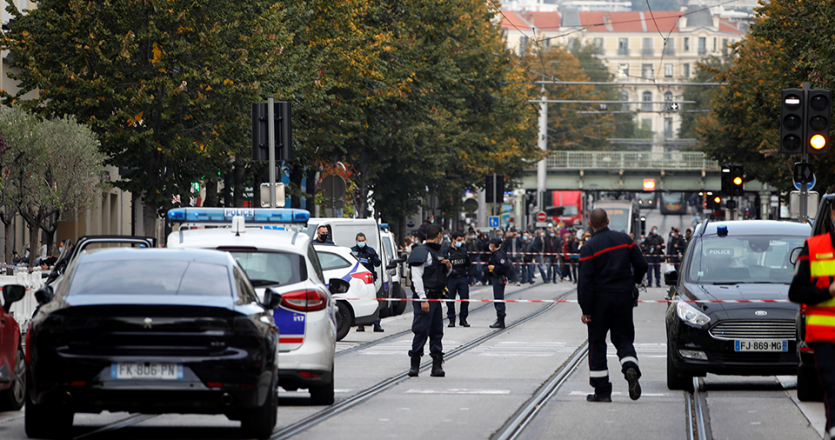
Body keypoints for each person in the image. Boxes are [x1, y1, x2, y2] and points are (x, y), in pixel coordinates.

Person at [578, 208, 648, 403]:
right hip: (623, 298)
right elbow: (642, 264)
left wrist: (586, 309)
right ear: (608, 220)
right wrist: (632, 282)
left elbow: (584, 282)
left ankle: (602, 391)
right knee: (624, 339)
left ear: (590, 224)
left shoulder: (589, 248)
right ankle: (630, 368)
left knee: (597, 343)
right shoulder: (625, 240)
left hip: (600, 301)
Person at [789, 204, 835, 438]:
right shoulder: (816, 248)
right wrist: (828, 291)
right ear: (834, 213)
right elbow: (796, 293)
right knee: (831, 382)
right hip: (826, 336)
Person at [406, 224, 450, 378]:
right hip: (425, 298)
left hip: (436, 298)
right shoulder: (420, 251)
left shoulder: (438, 251)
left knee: (437, 332)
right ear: (439, 234)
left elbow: (440, 274)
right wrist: (422, 298)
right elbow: (416, 277)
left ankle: (436, 366)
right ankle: (415, 365)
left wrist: (448, 267)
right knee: (421, 331)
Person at [353, 233, 384, 333]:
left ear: (365, 240)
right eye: (359, 240)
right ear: (356, 241)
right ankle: (360, 325)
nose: (361, 242)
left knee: (373, 301)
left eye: (362, 240)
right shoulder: (352, 251)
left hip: (369, 281)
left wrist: (373, 258)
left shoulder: (370, 251)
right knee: (360, 302)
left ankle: (377, 324)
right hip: (357, 281)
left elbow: (378, 263)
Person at [444, 232, 472, 328]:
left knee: (465, 299)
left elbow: (468, 264)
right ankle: (451, 319)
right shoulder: (446, 251)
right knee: (450, 300)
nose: (461, 242)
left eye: (461, 240)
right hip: (451, 278)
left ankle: (463, 319)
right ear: (453, 240)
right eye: (459, 240)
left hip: (462, 278)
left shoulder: (463, 250)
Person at [486, 237, 511, 329]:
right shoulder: (496, 254)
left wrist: (494, 268)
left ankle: (501, 320)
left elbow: (504, 267)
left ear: (492, 245)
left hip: (499, 278)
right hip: (496, 278)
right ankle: (499, 319)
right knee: (498, 298)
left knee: (499, 298)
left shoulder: (499, 255)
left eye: (490, 244)